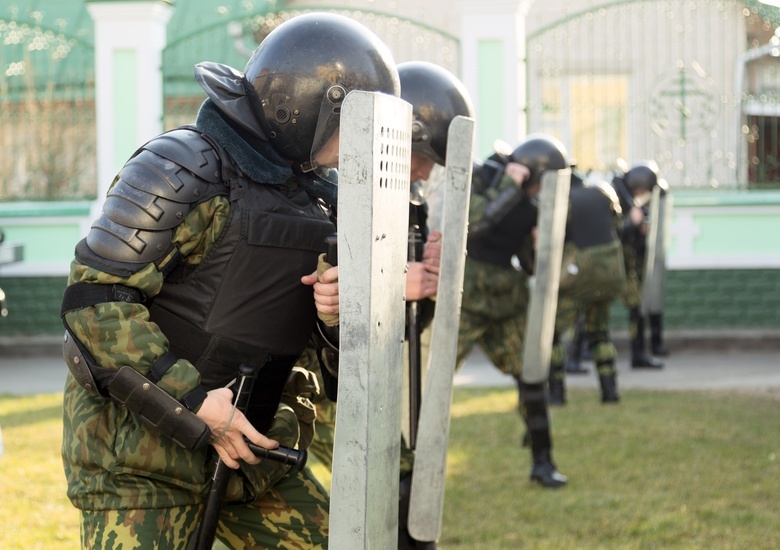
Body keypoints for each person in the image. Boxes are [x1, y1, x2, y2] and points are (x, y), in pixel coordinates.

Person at [58, 13, 400, 548]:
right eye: (351, 126)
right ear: (307, 107)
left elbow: (331, 372)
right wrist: (194, 403)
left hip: (255, 457)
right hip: (141, 466)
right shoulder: (183, 168)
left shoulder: (320, 197)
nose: (357, 145)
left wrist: (331, 317)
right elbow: (95, 304)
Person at [304, 60, 473, 550]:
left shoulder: (406, 198)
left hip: (363, 363)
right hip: (318, 370)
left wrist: (433, 272)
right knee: (384, 483)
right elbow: (319, 272)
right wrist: (399, 281)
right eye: (422, 156)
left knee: (400, 480)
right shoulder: (339, 188)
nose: (425, 171)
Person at [456, 134, 569, 488]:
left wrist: (538, 246)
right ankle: (405, 466)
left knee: (532, 376)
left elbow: (529, 264)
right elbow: (472, 225)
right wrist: (509, 185)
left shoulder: (531, 206)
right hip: (466, 299)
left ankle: (543, 462)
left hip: (506, 301)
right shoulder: (485, 178)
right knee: (430, 379)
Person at [547, 169, 626, 405]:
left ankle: (556, 393)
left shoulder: (564, 202)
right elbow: (618, 225)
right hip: (610, 272)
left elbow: (555, 238)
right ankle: (610, 391)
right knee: (599, 333)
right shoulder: (604, 193)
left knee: (553, 334)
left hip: (580, 274)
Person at [612, 161, 667, 369]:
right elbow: (612, 232)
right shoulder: (615, 196)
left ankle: (638, 354)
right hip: (612, 265)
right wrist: (631, 223)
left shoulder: (628, 199)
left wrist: (638, 226)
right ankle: (576, 354)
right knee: (592, 307)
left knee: (636, 308)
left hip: (626, 265)